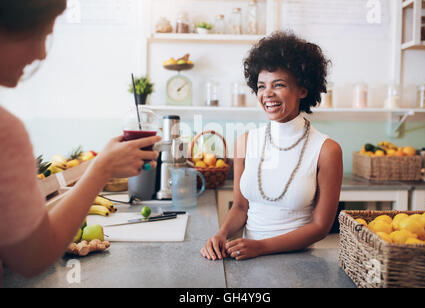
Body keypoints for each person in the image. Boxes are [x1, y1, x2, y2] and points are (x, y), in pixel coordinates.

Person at [0, 0, 161, 285]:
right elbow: (32, 257)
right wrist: (100, 170)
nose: (41, 52)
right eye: (39, 35)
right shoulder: (6, 132)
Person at [201, 31, 343, 261]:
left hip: (301, 264)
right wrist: (222, 234)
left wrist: (261, 247)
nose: (267, 94)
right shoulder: (245, 141)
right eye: (261, 86)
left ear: (303, 90)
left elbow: (320, 226)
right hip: (248, 259)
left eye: (278, 85)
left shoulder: (327, 150)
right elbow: (239, 206)